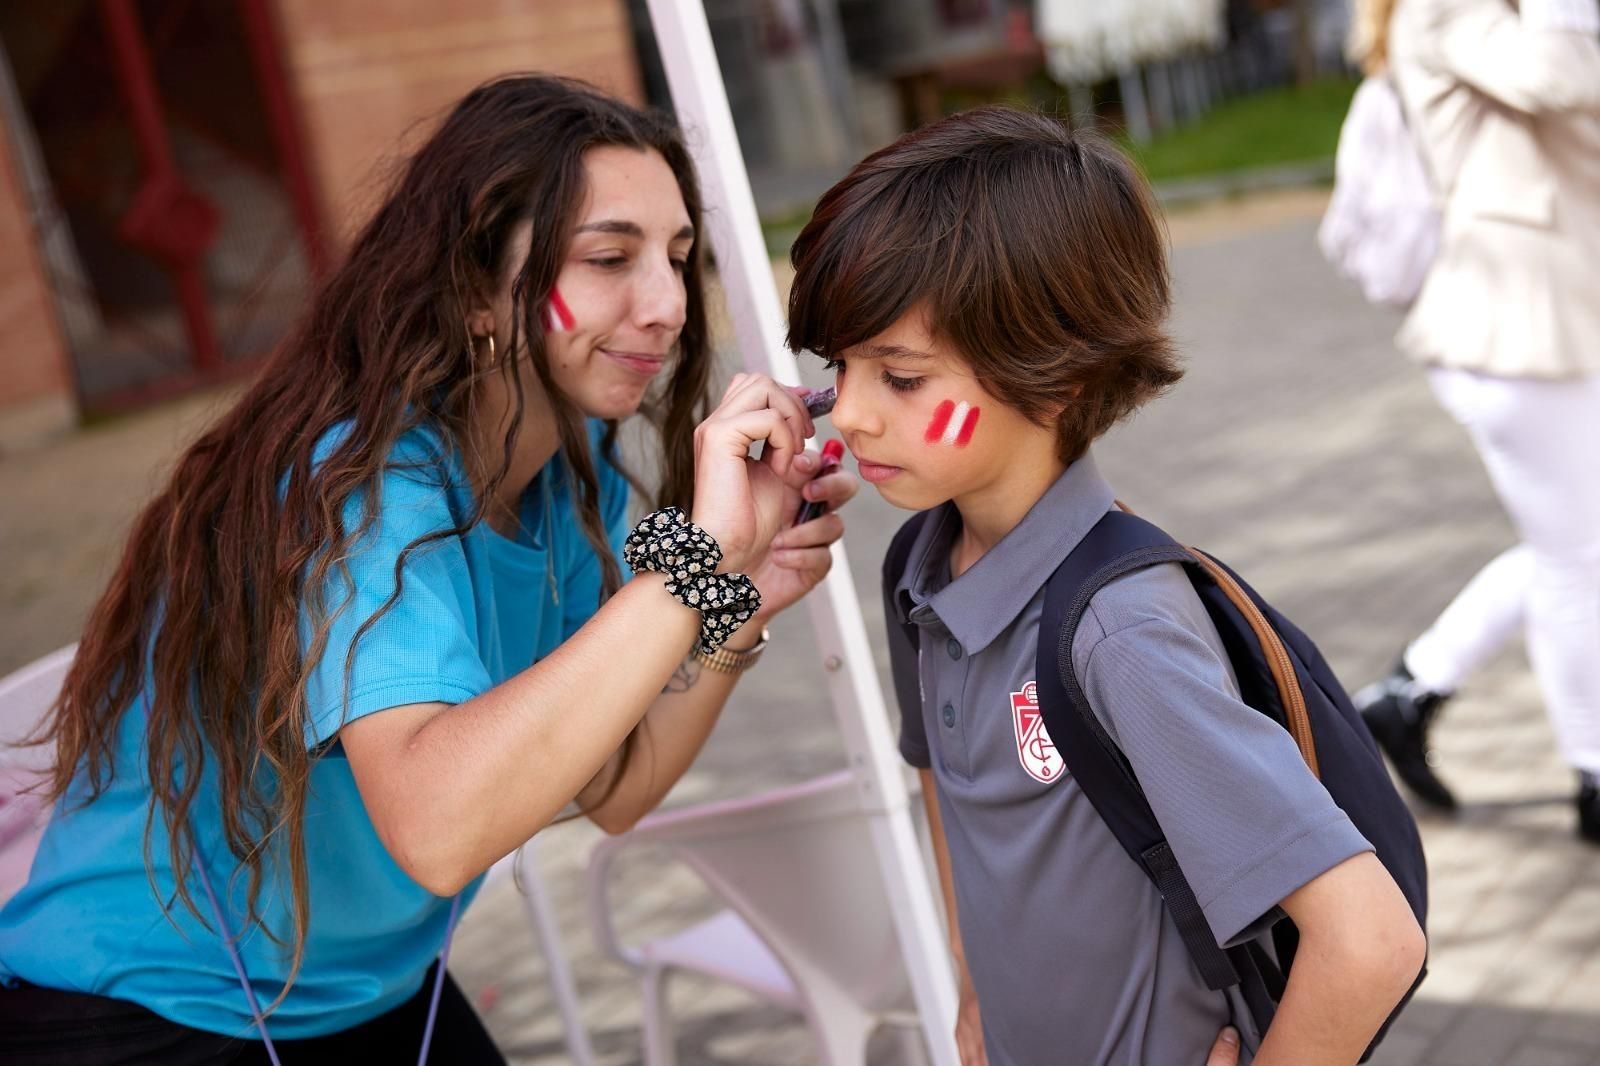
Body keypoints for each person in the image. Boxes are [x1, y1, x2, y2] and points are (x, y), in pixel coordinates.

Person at [0, 75, 855, 1063]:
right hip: (144, 1013)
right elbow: (441, 826)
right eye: (611, 257)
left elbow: (613, 786)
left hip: (366, 994)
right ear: (477, 284)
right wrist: (696, 562)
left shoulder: (572, 482)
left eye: (676, 257)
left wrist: (739, 601)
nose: (666, 305)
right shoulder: (356, 490)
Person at [785, 108, 1426, 1065]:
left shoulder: (1119, 635)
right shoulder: (918, 566)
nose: (855, 416)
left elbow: (1371, 941)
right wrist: (973, 996)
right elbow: (948, 792)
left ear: (1054, 378)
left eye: (902, 377)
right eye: (841, 367)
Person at [1346, 0, 1600, 836]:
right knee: (1576, 558)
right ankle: (1594, 775)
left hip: (1549, 314)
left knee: (1569, 544)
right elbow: (1558, 74)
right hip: (1517, 324)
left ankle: (1410, 690)